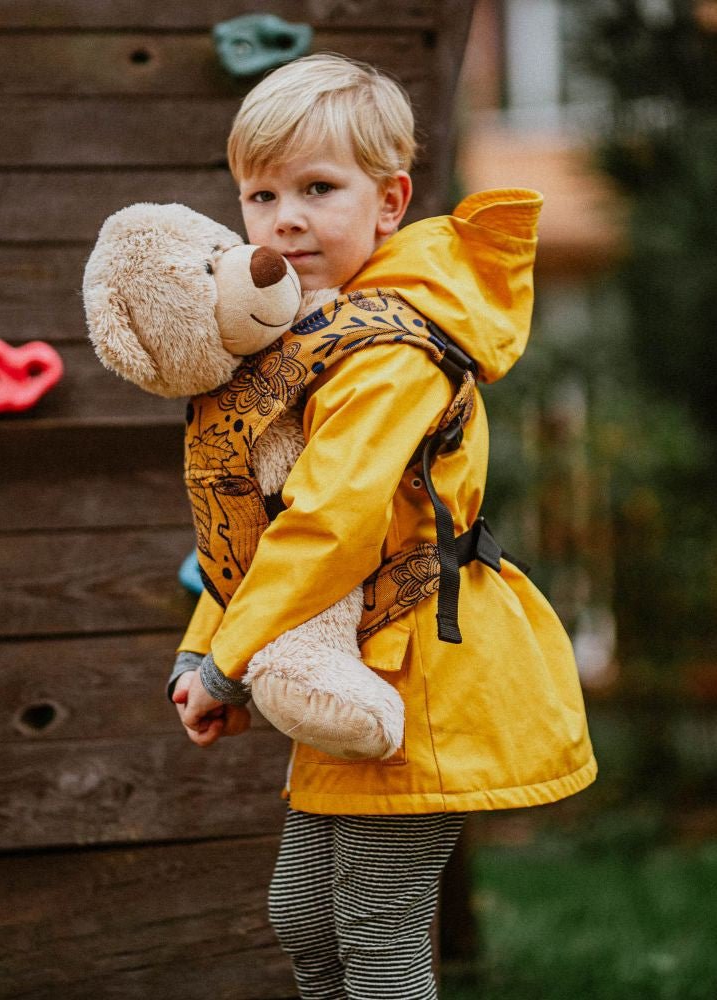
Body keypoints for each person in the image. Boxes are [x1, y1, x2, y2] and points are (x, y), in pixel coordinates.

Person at [170, 53, 597, 999]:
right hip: (353, 661)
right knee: (300, 911)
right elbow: (258, 523)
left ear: (390, 201)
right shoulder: (314, 340)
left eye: (318, 188)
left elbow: (330, 520)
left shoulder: (390, 350)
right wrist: (204, 641)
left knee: (374, 924)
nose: (284, 218)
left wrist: (227, 664)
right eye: (261, 193)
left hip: (424, 672)